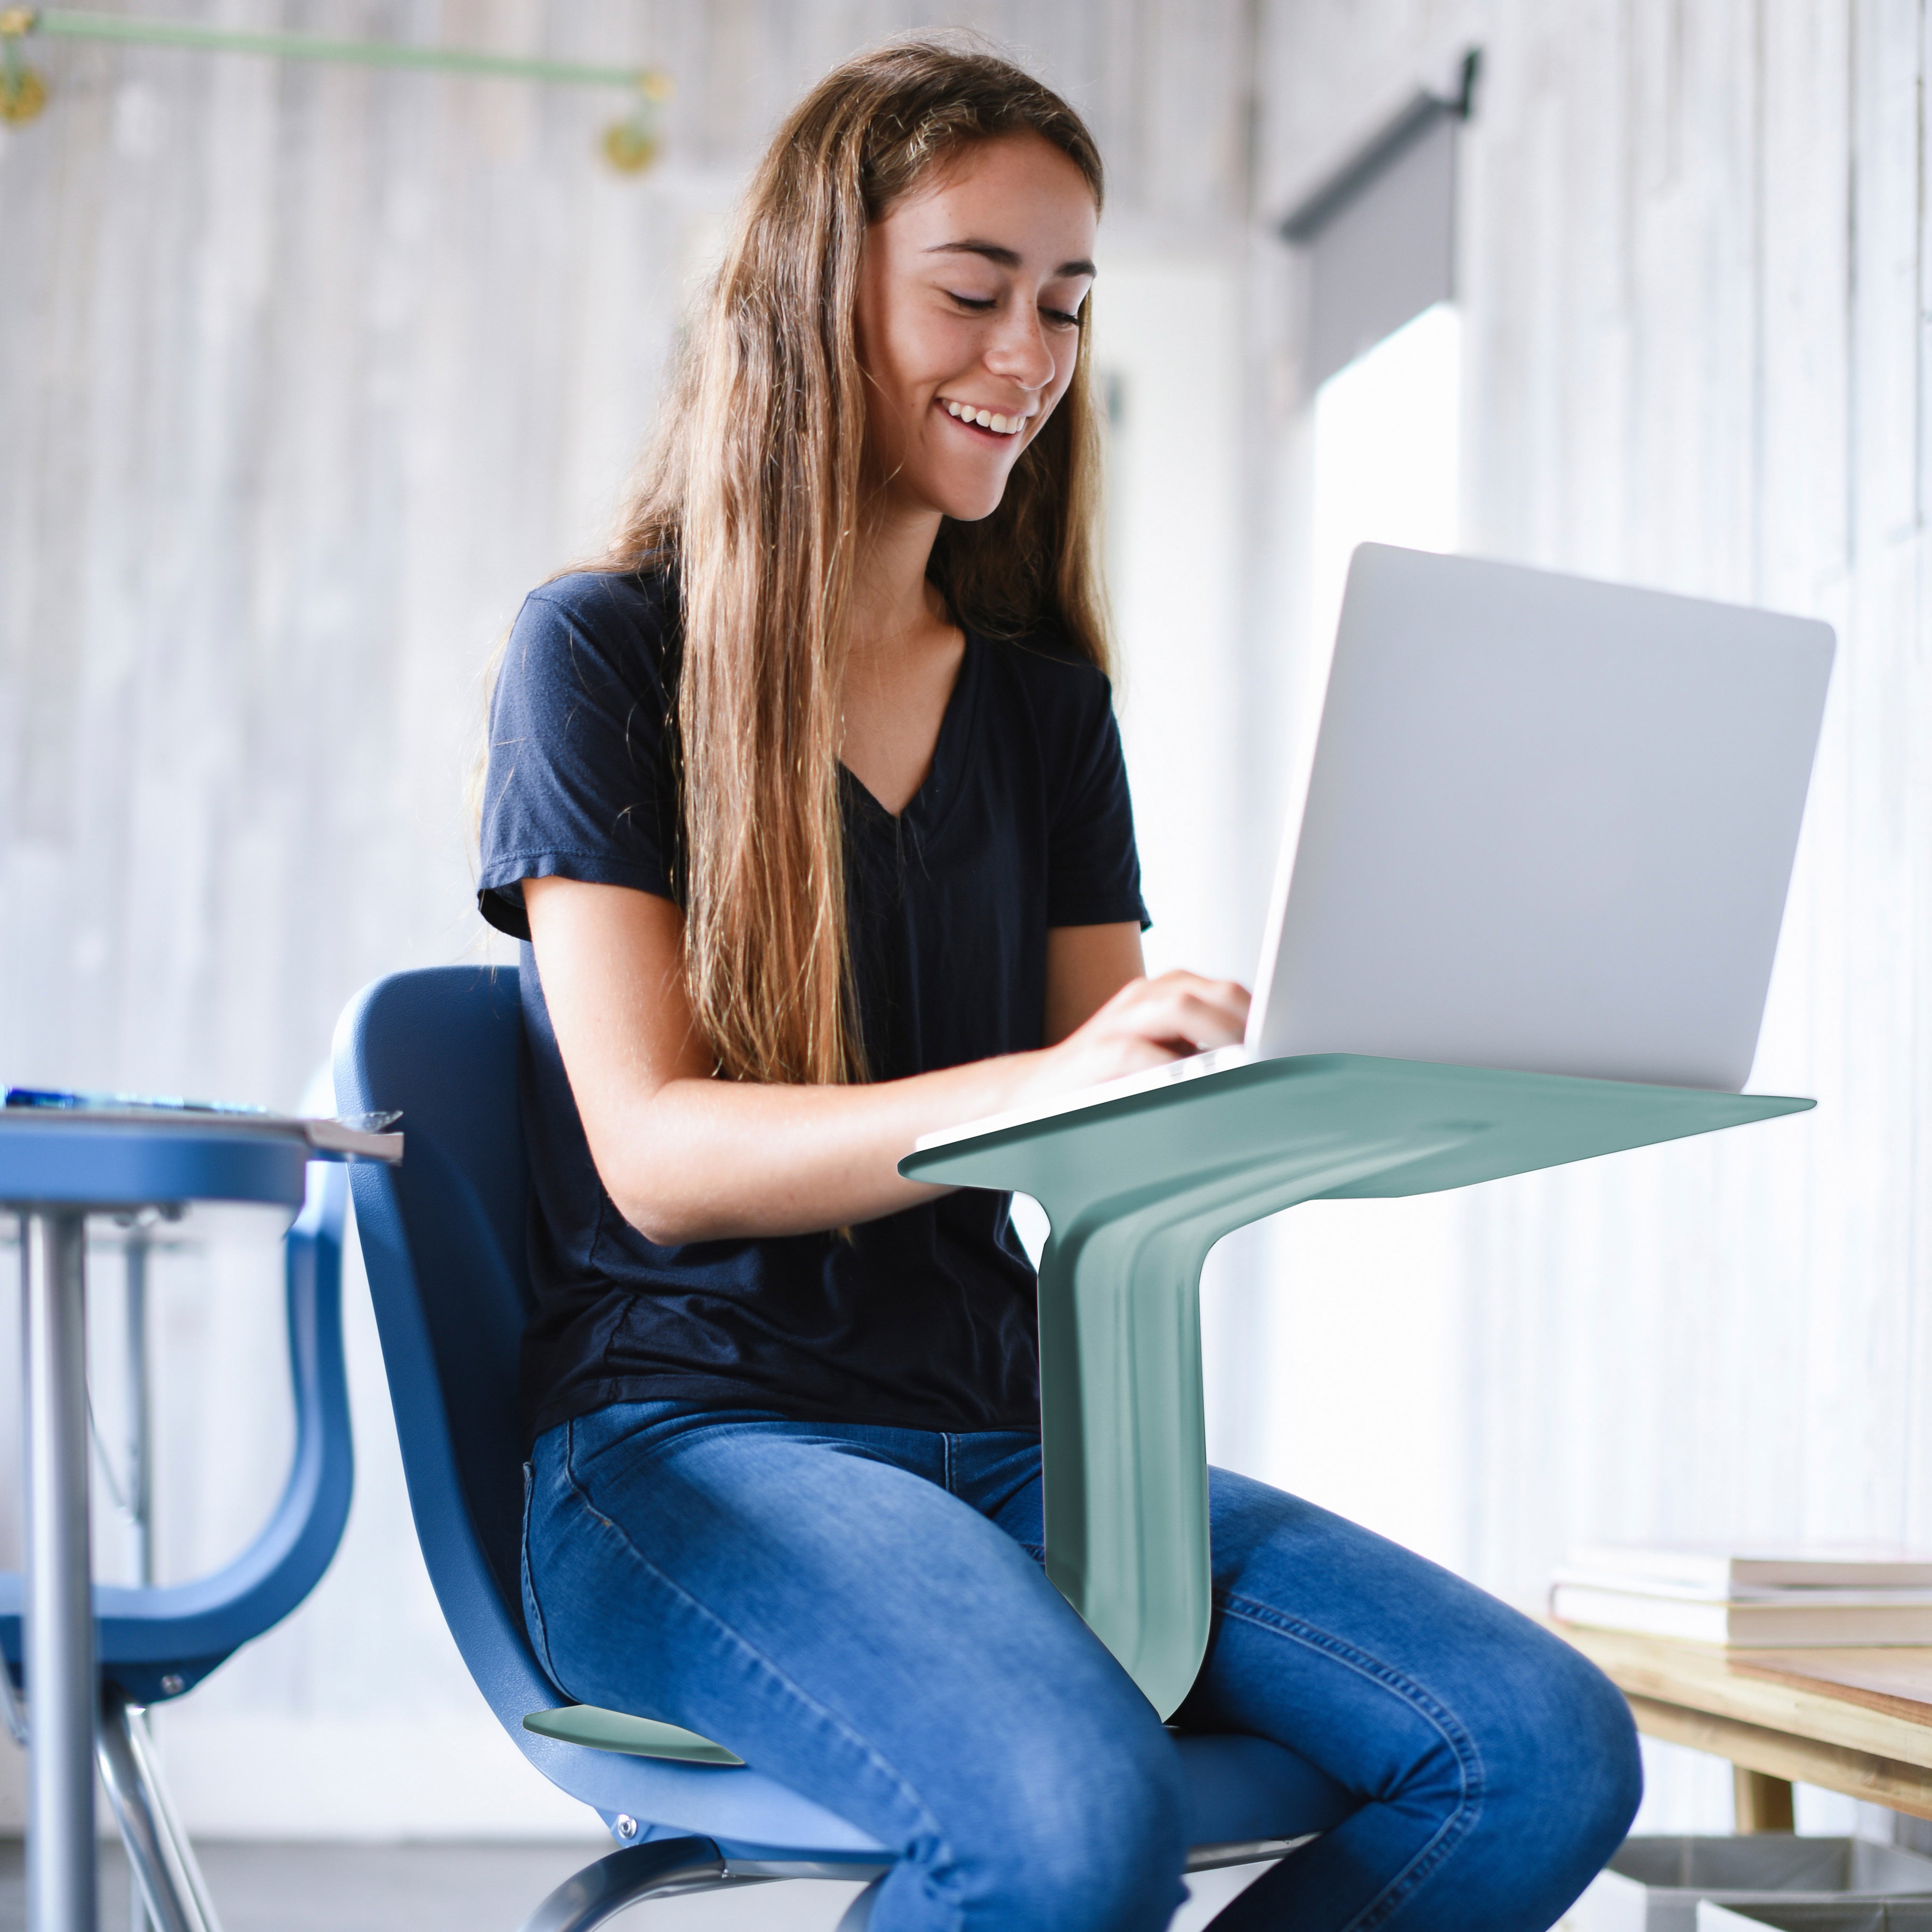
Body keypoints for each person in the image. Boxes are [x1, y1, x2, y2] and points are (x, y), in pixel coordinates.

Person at [476, 36, 1640, 1932]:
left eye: (1067, 308)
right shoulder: (600, 652)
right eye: (971, 292)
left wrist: (1303, 1083)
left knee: (1539, 1746)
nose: (1025, 359)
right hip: (693, 1438)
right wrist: (1039, 1079)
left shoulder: (1041, 709)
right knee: (1069, 1818)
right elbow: (660, 1156)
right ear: (812, 289)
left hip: (1019, 1433)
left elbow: (1106, 1130)